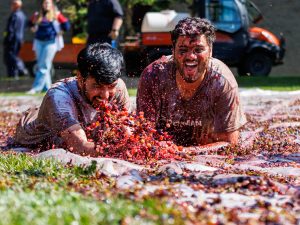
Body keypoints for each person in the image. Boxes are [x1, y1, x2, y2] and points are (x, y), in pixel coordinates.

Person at [137, 17, 247, 148]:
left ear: (210, 50)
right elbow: (143, 136)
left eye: (198, 50)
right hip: (163, 149)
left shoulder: (222, 82)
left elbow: (230, 142)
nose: (190, 56)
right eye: (183, 50)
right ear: (173, 50)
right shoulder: (153, 76)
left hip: (205, 151)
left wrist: (185, 152)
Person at [13, 43, 131, 157]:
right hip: (34, 133)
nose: (105, 95)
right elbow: (80, 147)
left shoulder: (118, 88)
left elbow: (126, 129)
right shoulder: (59, 97)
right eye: (97, 86)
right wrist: (121, 149)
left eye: (110, 86)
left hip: (82, 125)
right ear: (80, 78)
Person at [26, 0, 70, 94]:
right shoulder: (38, 14)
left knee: (43, 66)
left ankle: (36, 88)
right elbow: (29, 23)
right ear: (42, 5)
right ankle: (48, 88)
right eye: (44, 3)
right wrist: (32, 28)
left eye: (48, 3)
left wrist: (61, 32)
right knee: (45, 65)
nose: (46, 5)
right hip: (38, 42)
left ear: (51, 5)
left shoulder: (56, 14)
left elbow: (66, 25)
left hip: (50, 43)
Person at [3, 0, 28, 80]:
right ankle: (13, 74)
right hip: (19, 39)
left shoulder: (14, 15)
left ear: (16, 5)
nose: (11, 6)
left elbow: (10, 30)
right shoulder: (22, 15)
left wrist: (6, 40)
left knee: (11, 56)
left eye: (12, 4)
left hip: (12, 40)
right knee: (13, 56)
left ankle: (21, 69)